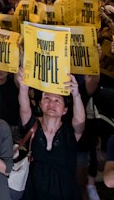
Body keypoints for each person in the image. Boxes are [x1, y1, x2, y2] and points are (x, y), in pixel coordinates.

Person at [17, 71, 85, 200]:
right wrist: (23, 87)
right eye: (46, 98)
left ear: (65, 110)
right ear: (41, 104)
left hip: (65, 193)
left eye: (57, 100)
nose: (51, 104)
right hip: (34, 192)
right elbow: (24, 108)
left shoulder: (70, 133)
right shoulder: (33, 125)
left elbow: (80, 120)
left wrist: (76, 95)